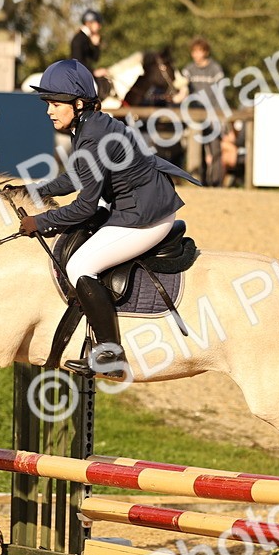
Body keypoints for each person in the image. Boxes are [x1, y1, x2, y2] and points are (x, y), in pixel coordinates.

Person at [18, 59, 199, 379]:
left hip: (145, 217)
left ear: (77, 103)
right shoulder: (89, 125)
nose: (49, 110)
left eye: (55, 103)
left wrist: (41, 222)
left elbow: (85, 206)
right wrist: (32, 190)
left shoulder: (93, 134)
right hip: (135, 206)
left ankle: (110, 355)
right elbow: (75, 176)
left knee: (79, 266)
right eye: (47, 103)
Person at [180, 37, 226, 187]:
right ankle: (200, 181)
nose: (196, 55)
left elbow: (220, 93)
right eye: (194, 52)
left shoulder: (215, 69)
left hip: (213, 114)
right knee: (196, 149)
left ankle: (216, 182)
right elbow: (182, 88)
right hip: (195, 115)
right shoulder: (188, 70)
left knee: (215, 149)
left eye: (199, 51)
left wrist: (220, 115)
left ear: (205, 52)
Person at [70, 9, 108, 80]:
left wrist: (96, 45)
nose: (99, 26)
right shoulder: (79, 39)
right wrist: (94, 72)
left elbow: (95, 58)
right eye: (98, 23)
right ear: (89, 23)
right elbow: (77, 62)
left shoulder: (87, 38)